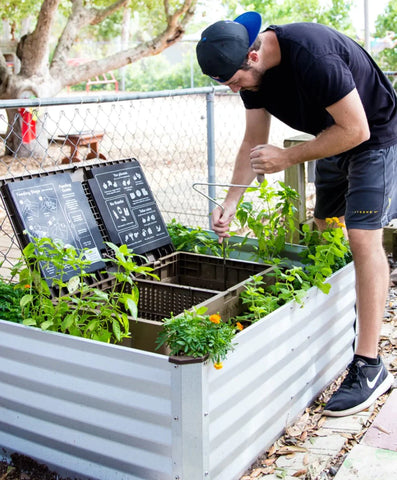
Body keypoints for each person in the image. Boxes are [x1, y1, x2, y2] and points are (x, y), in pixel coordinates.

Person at [196, 12, 396, 417]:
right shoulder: (252, 76)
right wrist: (231, 202)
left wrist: (287, 156)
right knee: (325, 232)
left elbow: (357, 131)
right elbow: (254, 141)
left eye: (235, 81)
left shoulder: (312, 55)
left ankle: (370, 365)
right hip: (332, 139)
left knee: (362, 238)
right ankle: (347, 314)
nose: (235, 90)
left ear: (252, 56)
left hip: (373, 137)